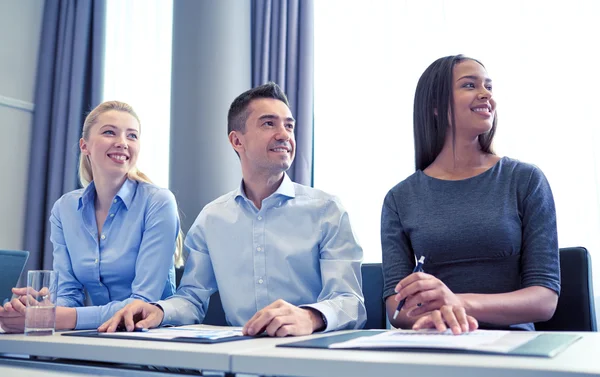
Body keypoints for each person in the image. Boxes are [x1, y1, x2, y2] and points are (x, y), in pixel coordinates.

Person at [99, 82, 366, 337]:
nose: (284, 134)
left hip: (310, 356)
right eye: (269, 123)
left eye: (289, 126)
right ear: (237, 141)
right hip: (238, 358)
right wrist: (158, 310)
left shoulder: (327, 210)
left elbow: (350, 302)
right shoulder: (212, 218)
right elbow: (192, 298)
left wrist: (309, 317)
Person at [381, 55, 560, 334]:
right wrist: (436, 314)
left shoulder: (525, 180)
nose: (486, 95)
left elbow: (545, 299)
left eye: (489, 86)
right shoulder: (399, 198)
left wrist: (457, 303)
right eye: (469, 85)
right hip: (437, 343)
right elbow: (396, 308)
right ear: (436, 106)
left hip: (510, 345)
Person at [0, 101, 183, 332]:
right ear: (84, 145)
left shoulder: (158, 202)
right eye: (109, 132)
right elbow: (68, 296)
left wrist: (56, 318)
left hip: (152, 342)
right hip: (96, 337)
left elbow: (141, 305)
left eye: (132, 136)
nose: (122, 143)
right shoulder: (64, 209)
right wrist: (39, 308)